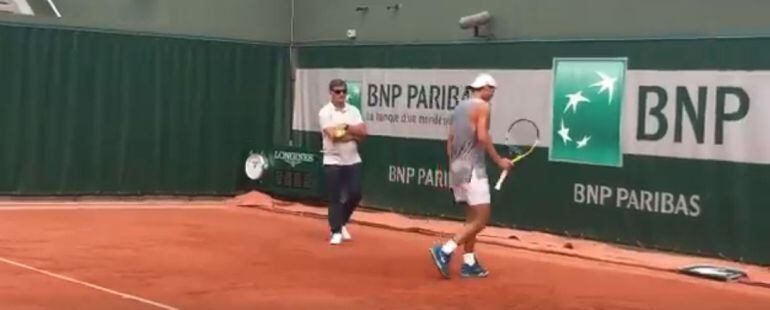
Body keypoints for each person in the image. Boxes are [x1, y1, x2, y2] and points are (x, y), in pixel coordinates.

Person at [429, 73, 512, 278]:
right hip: (474, 168)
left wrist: (454, 168)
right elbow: (483, 136)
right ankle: (445, 250)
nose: (492, 94)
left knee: (471, 218)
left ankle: (469, 262)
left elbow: (450, 139)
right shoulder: (483, 107)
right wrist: (499, 160)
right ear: (485, 88)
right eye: (491, 90)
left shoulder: (459, 108)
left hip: (458, 167)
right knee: (482, 219)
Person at [318, 79, 367, 245]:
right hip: (332, 160)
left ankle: (342, 221)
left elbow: (363, 131)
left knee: (355, 194)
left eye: (344, 92)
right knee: (335, 197)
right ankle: (336, 231)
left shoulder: (353, 110)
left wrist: (345, 127)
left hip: (353, 159)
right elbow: (333, 134)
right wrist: (352, 133)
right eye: (337, 92)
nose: (341, 95)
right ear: (331, 93)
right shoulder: (325, 112)